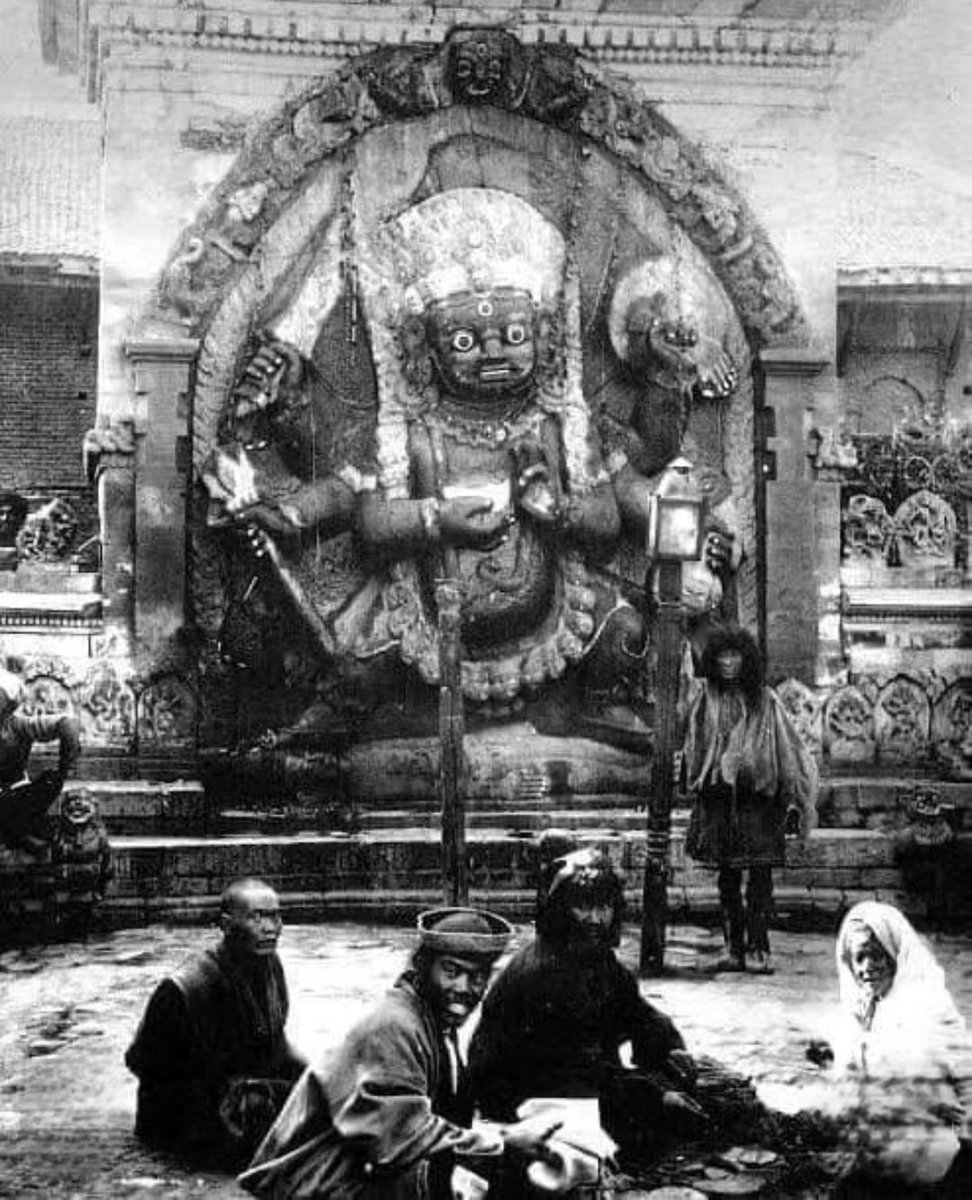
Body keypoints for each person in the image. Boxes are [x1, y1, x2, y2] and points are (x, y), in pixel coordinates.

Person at [239, 907, 563, 1199]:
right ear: (423, 966)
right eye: (451, 971)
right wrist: (503, 1143)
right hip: (308, 1182)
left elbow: (436, 1122)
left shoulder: (433, 1024)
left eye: (478, 977)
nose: (464, 988)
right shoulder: (395, 1025)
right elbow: (401, 1141)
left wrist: (504, 1137)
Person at [467, 840, 704, 1191]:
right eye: (584, 906)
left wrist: (669, 1047)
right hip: (527, 1103)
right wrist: (655, 1097)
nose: (596, 918)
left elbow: (638, 1013)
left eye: (604, 906)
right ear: (561, 910)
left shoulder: (594, 958)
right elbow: (578, 1071)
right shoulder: (542, 975)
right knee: (664, 1131)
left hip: (579, 1085)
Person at [125, 878, 306, 1167]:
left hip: (238, 1086)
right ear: (226, 924)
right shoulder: (188, 986)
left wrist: (316, 1077)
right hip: (185, 1107)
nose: (270, 928)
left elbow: (275, 1042)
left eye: (275, 916)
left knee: (322, 1094)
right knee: (271, 1114)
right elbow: (145, 1063)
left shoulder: (269, 965)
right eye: (256, 917)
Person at [808, 901, 972, 1194]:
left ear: (896, 954)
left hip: (929, 1152)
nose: (867, 967)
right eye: (859, 958)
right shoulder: (865, 1008)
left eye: (877, 956)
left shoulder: (929, 1006)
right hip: (878, 1147)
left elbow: (964, 1071)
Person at [681, 625, 818, 974]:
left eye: (735, 655)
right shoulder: (705, 698)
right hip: (720, 799)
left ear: (746, 659)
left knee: (759, 876)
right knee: (727, 877)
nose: (729, 662)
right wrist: (700, 777)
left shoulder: (766, 699)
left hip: (758, 801)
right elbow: (695, 745)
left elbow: (788, 749)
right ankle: (733, 950)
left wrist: (794, 796)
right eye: (723, 656)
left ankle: (759, 949)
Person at [0, 666, 81, 855]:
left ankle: (18, 833)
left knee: (50, 780)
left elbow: (67, 723)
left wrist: (65, 764)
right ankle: (22, 837)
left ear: (7, 702)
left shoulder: (18, 725)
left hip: (12, 796)